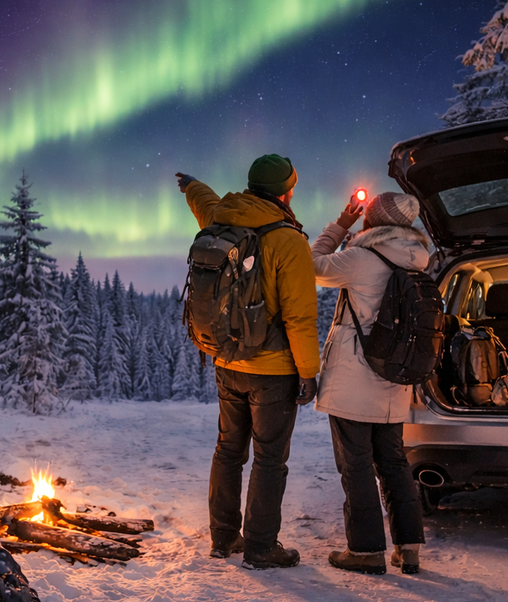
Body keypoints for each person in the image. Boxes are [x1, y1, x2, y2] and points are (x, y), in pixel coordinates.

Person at [177, 155, 321, 569]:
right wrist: (308, 372)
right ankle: (260, 546)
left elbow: (202, 201)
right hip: (273, 370)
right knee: (270, 458)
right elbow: (299, 315)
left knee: (227, 450)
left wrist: (190, 183)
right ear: (286, 191)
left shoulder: (224, 216)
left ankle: (223, 539)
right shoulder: (287, 239)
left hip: (227, 361)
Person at [311, 191, 429, 575]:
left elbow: (310, 265)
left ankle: (365, 551)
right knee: (394, 463)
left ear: (373, 221)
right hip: (395, 381)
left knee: (356, 465)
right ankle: (408, 548)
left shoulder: (362, 258)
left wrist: (341, 224)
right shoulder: (419, 260)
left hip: (354, 380)